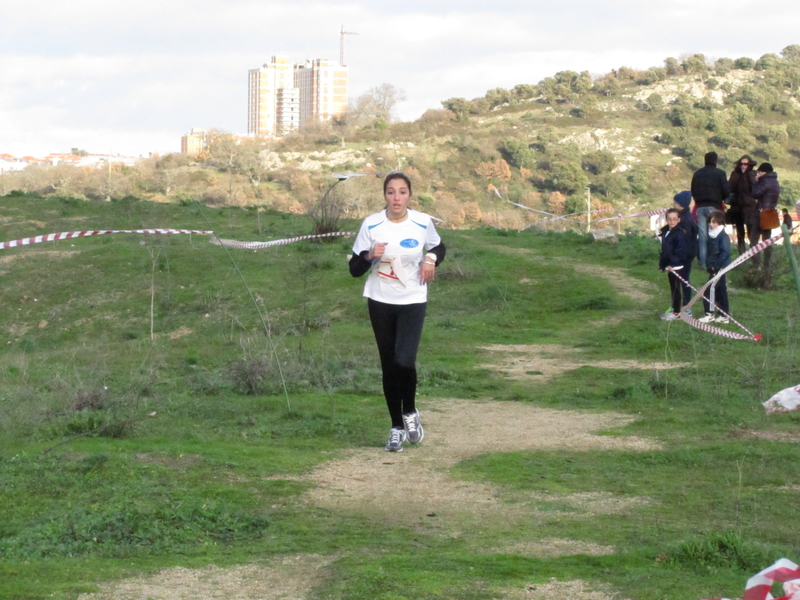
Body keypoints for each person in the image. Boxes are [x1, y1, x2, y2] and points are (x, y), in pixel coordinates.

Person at [349, 172, 446, 452]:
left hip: (412, 299)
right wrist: (369, 256)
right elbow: (354, 270)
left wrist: (430, 259)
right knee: (389, 365)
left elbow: (439, 246)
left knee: (405, 361)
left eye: (402, 192)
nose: (396, 198)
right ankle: (396, 428)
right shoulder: (372, 224)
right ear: (385, 196)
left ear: (409, 196)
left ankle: (410, 412)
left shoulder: (421, 221)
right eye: (391, 192)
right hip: (380, 300)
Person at [691, 151, 730, 268]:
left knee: (703, 236)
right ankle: (713, 262)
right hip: (714, 206)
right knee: (715, 234)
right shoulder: (720, 173)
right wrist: (720, 199)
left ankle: (702, 263)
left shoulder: (697, 174)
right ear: (716, 161)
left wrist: (698, 200)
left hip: (700, 207)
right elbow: (726, 191)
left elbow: (693, 190)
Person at [698, 211, 732, 324]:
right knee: (721, 290)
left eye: (715, 222)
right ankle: (724, 315)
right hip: (714, 267)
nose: (712, 224)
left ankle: (710, 313)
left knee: (709, 289)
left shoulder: (723, 236)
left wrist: (715, 266)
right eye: (710, 222)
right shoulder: (711, 235)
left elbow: (725, 253)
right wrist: (709, 264)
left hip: (720, 268)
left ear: (720, 222)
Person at [659, 208, 689, 321]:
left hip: (676, 267)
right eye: (669, 219)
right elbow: (665, 251)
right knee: (673, 289)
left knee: (676, 290)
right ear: (666, 219)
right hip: (669, 266)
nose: (672, 221)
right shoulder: (666, 232)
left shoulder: (679, 234)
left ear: (679, 220)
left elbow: (681, 251)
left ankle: (676, 313)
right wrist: (662, 265)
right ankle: (674, 309)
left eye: (674, 219)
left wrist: (673, 264)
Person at [672, 190, 698, 311]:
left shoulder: (686, 220)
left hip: (684, 256)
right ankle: (677, 306)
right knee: (676, 280)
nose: (674, 205)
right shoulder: (681, 217)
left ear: (681, 204)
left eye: (675, 203)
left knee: (683, 280)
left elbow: (685, 241)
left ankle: (686, 307)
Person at [727, 155, 758, 255]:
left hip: (749, 207)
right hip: (737, 206)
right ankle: (742, 255)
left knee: (751, 233)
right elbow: (730, 187)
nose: (743, 166)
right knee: (740, 234)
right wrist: (737, 175)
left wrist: (748, 174)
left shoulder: (753, 174)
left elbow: (754, 187)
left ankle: (754, 256)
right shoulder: (735, 173)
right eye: (742, 164)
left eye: (746, 164)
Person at [752, 162, 781, 266]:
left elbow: (755, 194)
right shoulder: (775, 182)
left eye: (759, 172)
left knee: (754, 239)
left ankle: (756, 264)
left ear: (764, 172)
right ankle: (767, 265)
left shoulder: (764, 182)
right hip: (770, 213)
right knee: (767, 240)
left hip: (760, 213)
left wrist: (755, 182)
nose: (758, 174)